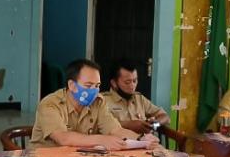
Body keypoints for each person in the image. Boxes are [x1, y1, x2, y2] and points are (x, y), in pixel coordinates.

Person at [30, 58, 158, 149]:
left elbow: (115, 130)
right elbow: (63, 138)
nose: (94, 91)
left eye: (97, 86)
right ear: (72, 85)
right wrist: (101, 139)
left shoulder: (98, 102)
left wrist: (141, 139)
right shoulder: (50, 104)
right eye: (88, 85)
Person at [101, 59, 169, 135]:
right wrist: (128, 125)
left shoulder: (139, 98)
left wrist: (155, 124)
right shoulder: (102, 101)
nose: (132, 86)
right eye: (127, 82)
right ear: (114, 83)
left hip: (147, 141)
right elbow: (99, 127)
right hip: (119, 142)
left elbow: (165, 116)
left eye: (135, 81)